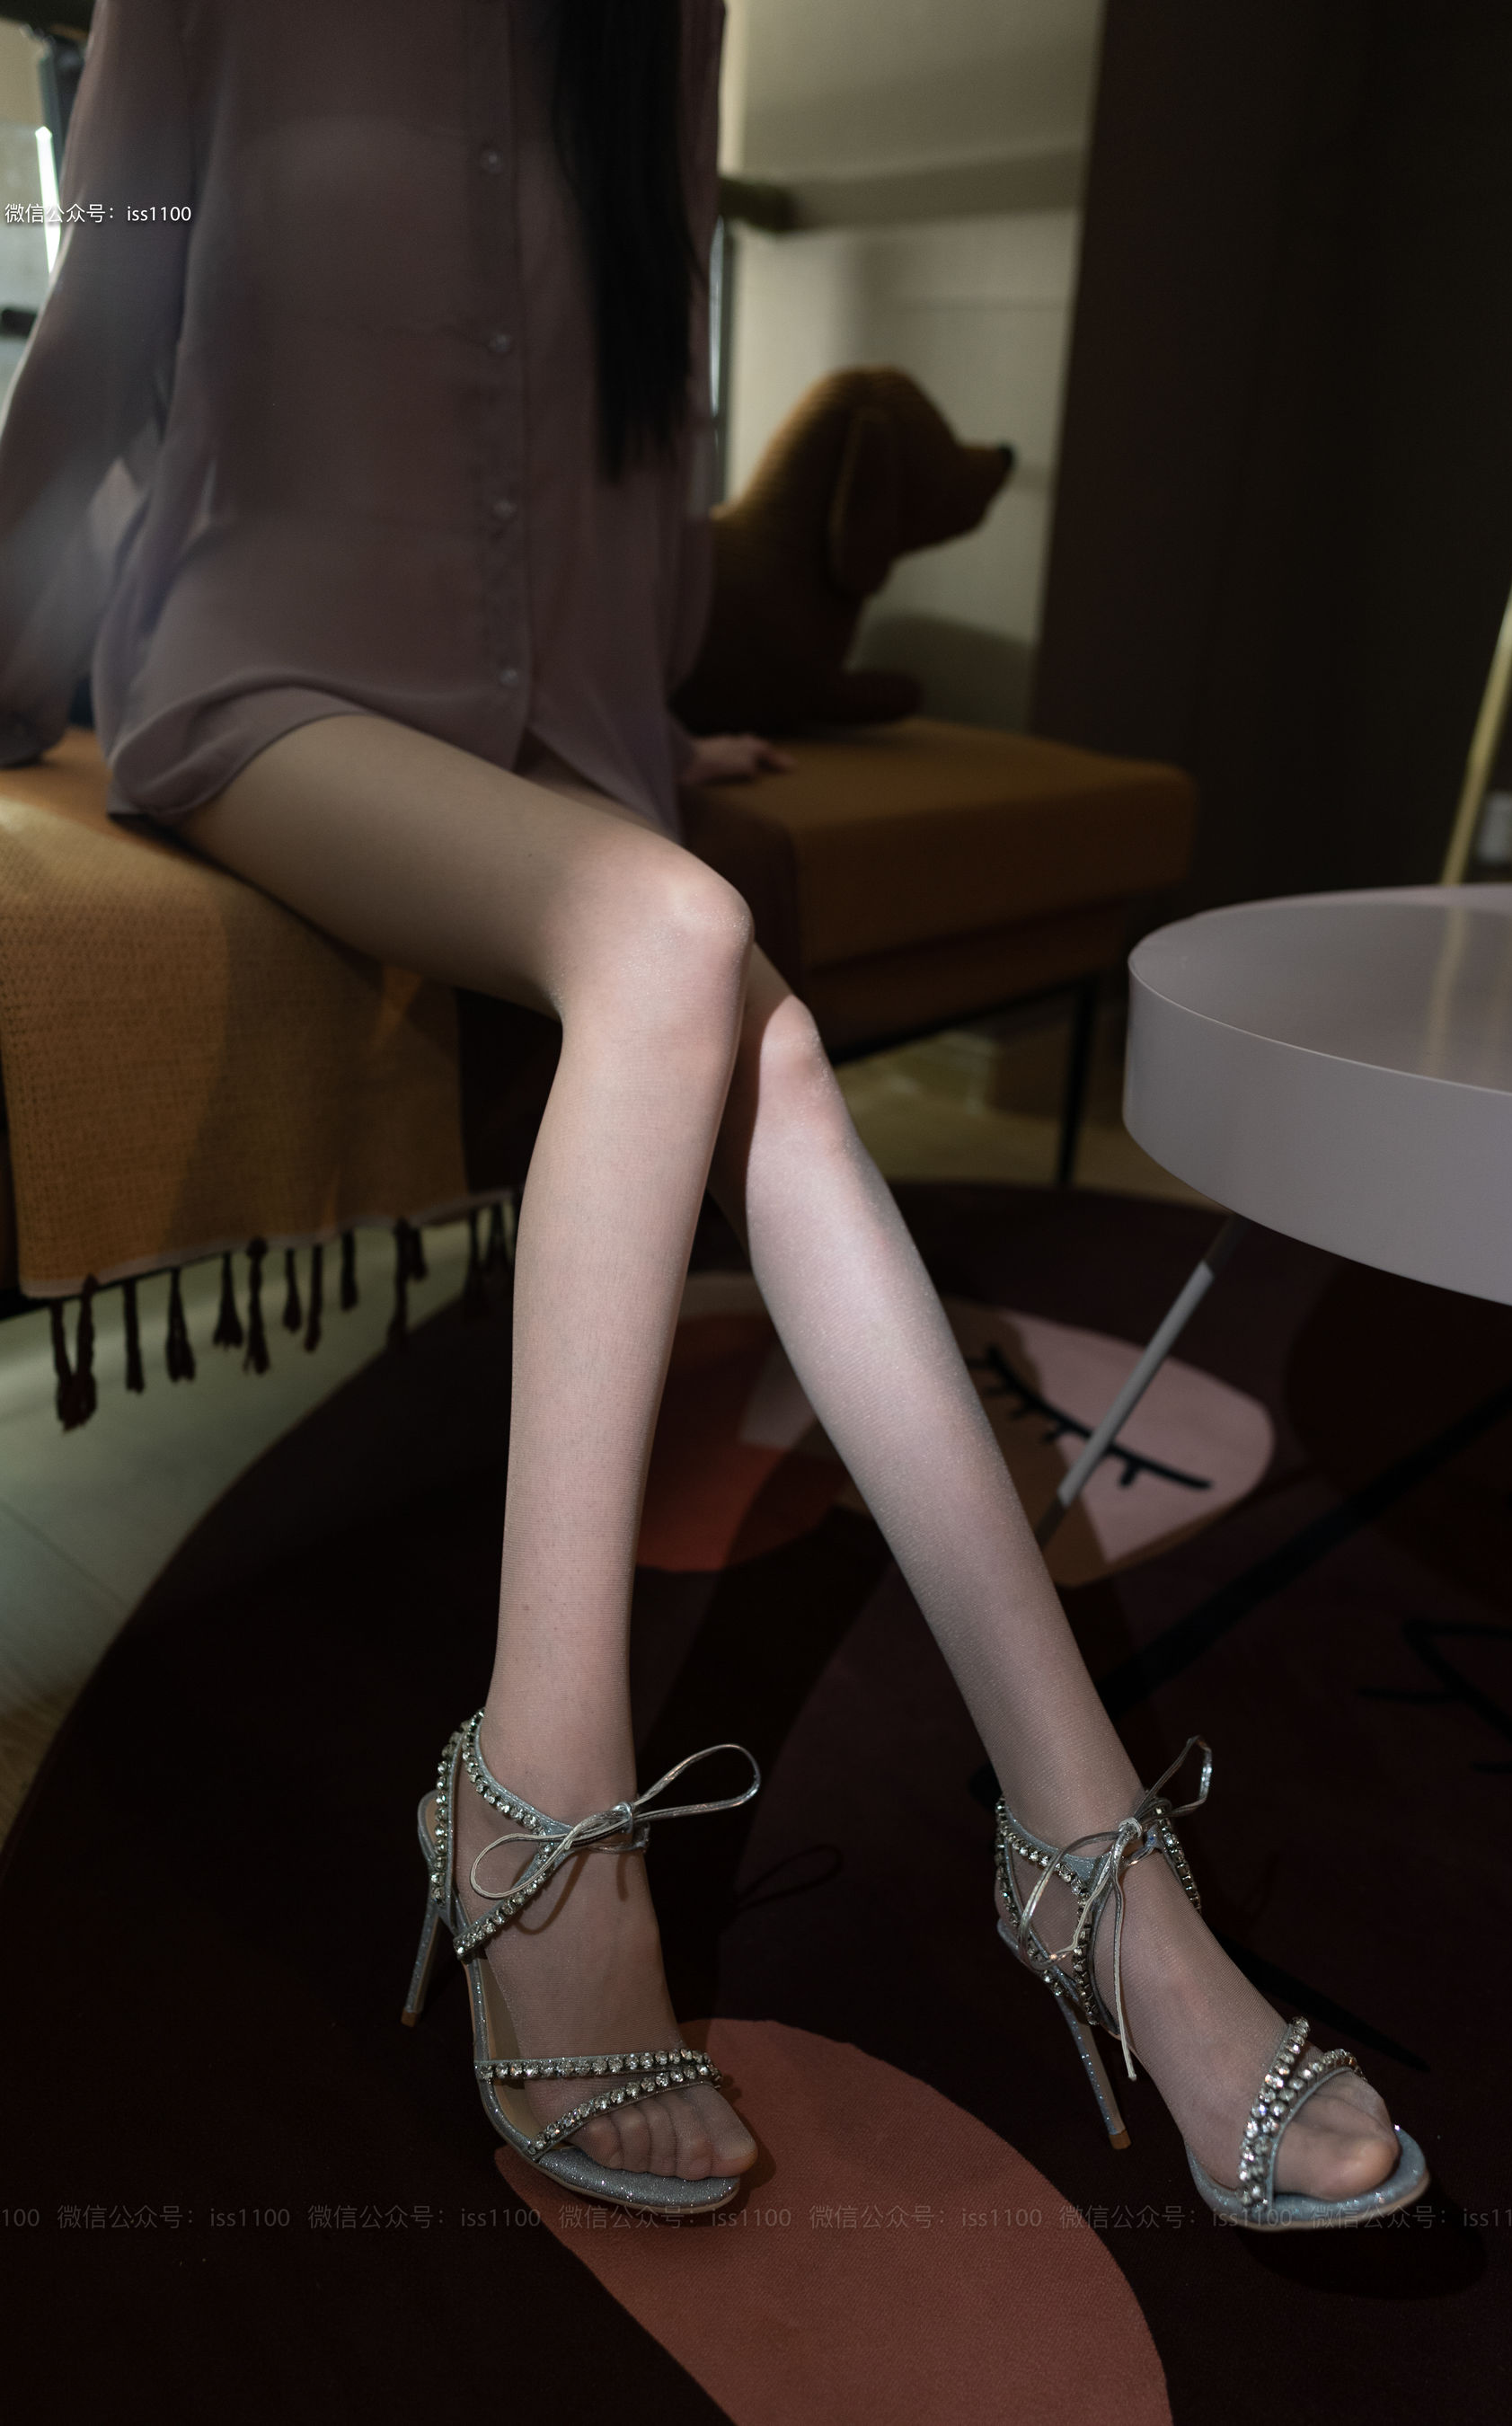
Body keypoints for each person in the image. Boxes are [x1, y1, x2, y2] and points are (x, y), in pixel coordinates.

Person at [0, 0, 1423, 2226]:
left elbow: (639, 433)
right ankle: (546, 1818)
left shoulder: (659, 19)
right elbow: (109, 321)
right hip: (262, 682)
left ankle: (1093, 1867)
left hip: (547, 735)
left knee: (756, 1042)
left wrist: (647, 731)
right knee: (674, 943)